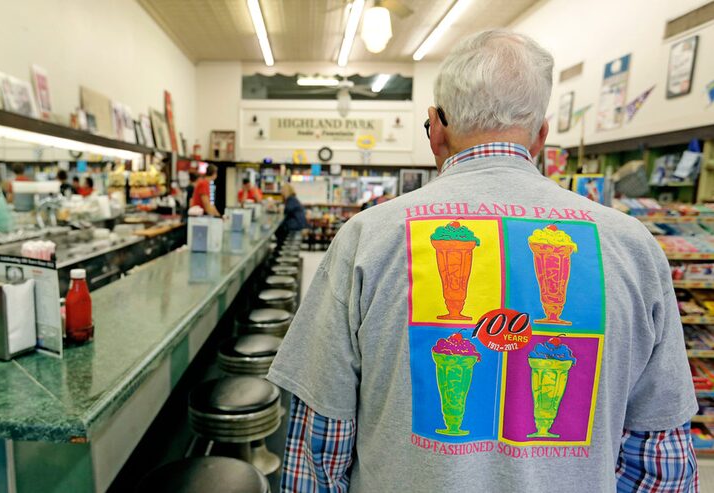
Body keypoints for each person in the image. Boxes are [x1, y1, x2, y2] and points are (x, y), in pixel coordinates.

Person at [267, 30, 698, 492]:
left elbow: (319, 450)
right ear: (541, 136)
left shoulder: (367, 238)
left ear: (435, 127)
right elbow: (660, 464)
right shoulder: (632, 247)